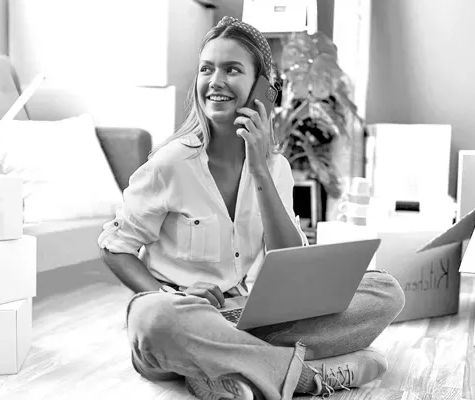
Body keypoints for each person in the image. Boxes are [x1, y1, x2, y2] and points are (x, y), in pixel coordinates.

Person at [98, 16, 406, 400]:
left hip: (247, 317)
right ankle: (311, 375)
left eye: (232, 70)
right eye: (206, 69)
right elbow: (114, 246)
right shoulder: (170, 164)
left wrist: (259, 167)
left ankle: (226, 373)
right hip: (185, 320)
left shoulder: (275, 168)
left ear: (263, 90)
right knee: (150, 318)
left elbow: (291, 259)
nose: (215, 81)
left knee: (385, 290)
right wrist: (167, 294)